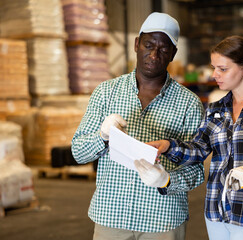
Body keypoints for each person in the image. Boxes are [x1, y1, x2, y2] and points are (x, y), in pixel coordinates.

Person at [143, 35, 243, 240]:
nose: (214, 74)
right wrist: (168, 146)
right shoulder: (215, 109)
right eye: (214, 67)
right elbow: (199, 148)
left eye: (222, 69)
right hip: (215, 211)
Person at [71, 12, 205, 240]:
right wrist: (102, 136)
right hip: (111, 217)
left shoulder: (189, 104)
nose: (154, 54)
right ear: (136, 44)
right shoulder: (106, 93)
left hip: (162, 219)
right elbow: (78, 153)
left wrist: (167, 181)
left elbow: (197, 170)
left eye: (163, 49)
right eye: (148, 44)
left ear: (173, 53)